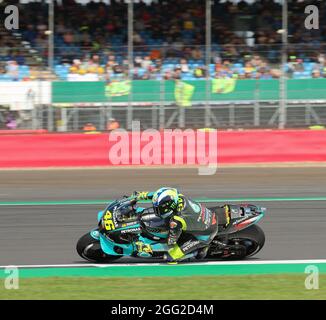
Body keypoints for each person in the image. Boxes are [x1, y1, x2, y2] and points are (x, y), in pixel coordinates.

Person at [132, 187, 230, 262]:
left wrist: (149, 247)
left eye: (159, 208)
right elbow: (160, 196)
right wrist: (143, 195)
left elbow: (171, 242)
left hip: (205, 234)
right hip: (208, 216)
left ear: (169, 207)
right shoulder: (177, 195)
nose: (156, 210)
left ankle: (200, 250)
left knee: (171, 256)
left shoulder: (176, 221)